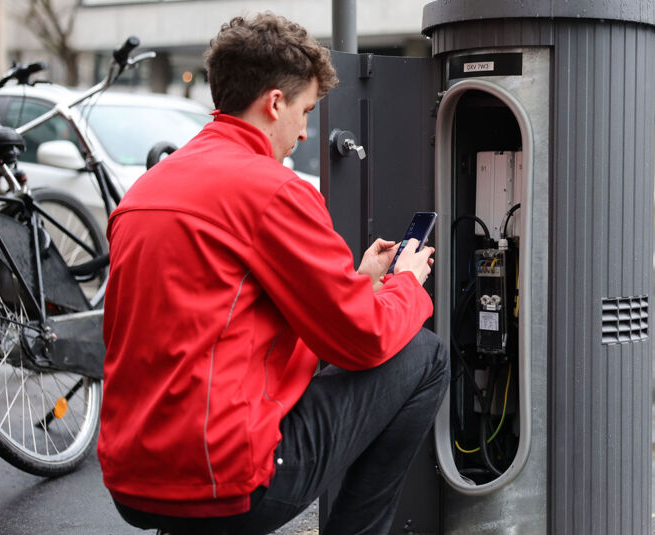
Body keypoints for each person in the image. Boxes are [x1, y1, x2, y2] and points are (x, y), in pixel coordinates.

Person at [97, 12, 448, 535]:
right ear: (275, 102)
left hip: (132, 479)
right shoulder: (275, 190)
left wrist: (358, 281)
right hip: (228, 483)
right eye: (306, 111)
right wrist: (406, 282)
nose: (306, 132)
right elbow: (362, 339)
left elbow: (224, 321)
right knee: (425, 354)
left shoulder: (147, 190)